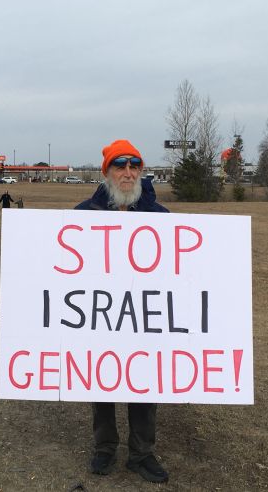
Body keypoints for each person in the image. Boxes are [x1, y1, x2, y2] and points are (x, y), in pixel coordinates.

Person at [75, 139, 170, 484]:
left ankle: (142, 453)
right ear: (107, 173)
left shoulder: (160, 218)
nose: (128, 172)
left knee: (144, 385)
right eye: (120, 165)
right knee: (101, 383)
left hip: (145, 320)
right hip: (100, 318)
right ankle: (105, 447)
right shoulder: (83, 215)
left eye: (134, 165)